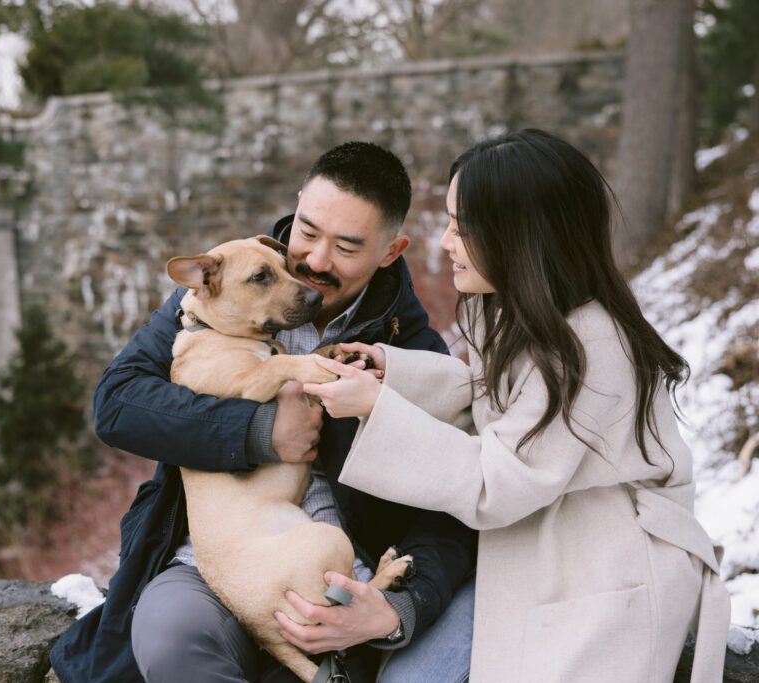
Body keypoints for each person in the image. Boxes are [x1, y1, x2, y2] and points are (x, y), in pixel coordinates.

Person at [303, 129, 731, 683]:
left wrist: (378, 408)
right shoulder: (519, 311)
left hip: (597, 568)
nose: (446, 243)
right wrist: (395, 377)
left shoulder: (590, 345)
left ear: (517, 234)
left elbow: (497, 483)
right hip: (531, 543)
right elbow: (491, 400)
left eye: (461, 227)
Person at [50, 141, 477, 683]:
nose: (316, 260)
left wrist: (398, 609)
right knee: (172, 640)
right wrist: (257, 432)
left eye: (347, 247)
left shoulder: (413, 351)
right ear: (296, 207)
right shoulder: (226, 288)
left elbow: (450, 508)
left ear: (390, 252)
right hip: (213, 562)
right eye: (307, 231)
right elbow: (118, 403)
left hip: (343, 571)